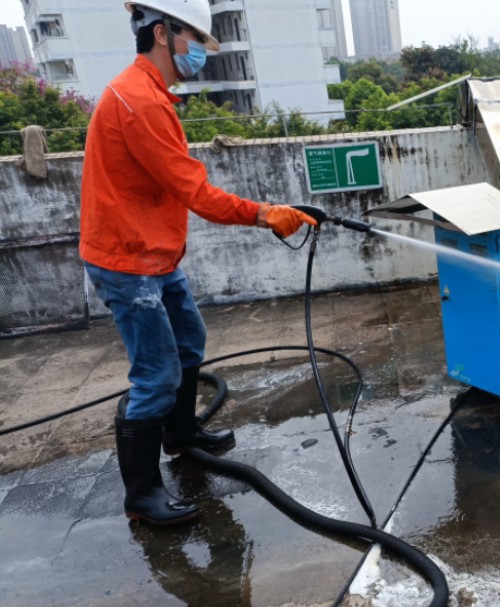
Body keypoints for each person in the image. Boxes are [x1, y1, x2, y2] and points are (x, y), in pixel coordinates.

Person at [79, 0, 317, 526]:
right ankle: (142, 496)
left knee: (188, 341)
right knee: (155, 375)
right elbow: (196, 193)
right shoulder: (138, 100)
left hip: (154, 253)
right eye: (194, 41)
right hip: (127, 260)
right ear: (162, 34)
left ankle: (180, 433)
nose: (200, 55)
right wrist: (265, 214)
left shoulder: (151, 94)